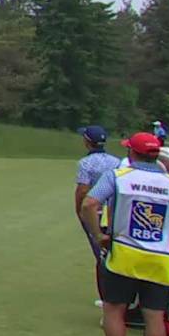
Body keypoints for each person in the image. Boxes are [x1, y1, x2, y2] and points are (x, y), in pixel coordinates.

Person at [81, 132, 169, 336]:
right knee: (154, 317)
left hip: (124, 254)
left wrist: (99, 235)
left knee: (114, 310)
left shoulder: (117, 177)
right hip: (160, 258)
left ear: (132, 153)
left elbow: (89, 204)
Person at [75, 126, 122, 306]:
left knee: (101, 255)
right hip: (114, 211)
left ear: (87, 142)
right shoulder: (117, 161)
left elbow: (83, 190)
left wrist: (79, 211)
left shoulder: (85, 163)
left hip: (95, 212)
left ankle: (108, 298)